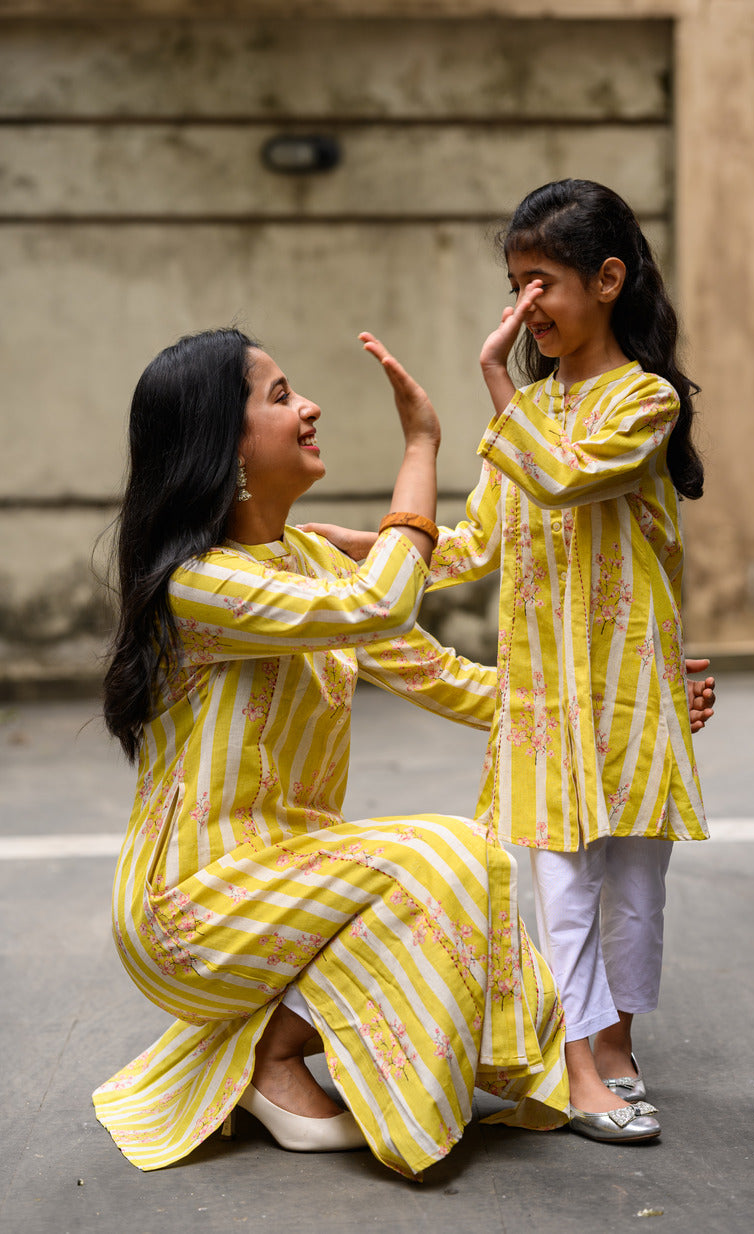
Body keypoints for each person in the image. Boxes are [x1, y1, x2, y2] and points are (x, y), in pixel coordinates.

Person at [93, 326, 568, 1179]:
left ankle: (259, 1061)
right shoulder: (197, 585)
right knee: (442, 856)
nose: (308, 406)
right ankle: (270, 1056)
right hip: (190, 907)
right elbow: (385, 601)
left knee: (458, 864)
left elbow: (452, 682)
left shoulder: (309, 560)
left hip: (296, 877)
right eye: (279, 397)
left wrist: (625, 706)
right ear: (223, 446)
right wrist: (419, 447)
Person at [304, 179, 715, 1144]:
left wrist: (496, 381)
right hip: (542, 701)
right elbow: (475, 545)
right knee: (562, 885)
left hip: (629, 696)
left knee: (634, 888)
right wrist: (380, 543)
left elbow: (564, 477)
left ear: (607, 281)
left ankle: (614, 1043)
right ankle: (580, 1066)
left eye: (542, 284)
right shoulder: (524, 421)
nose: (524, 306)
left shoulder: (642, 403)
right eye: (513, 284)